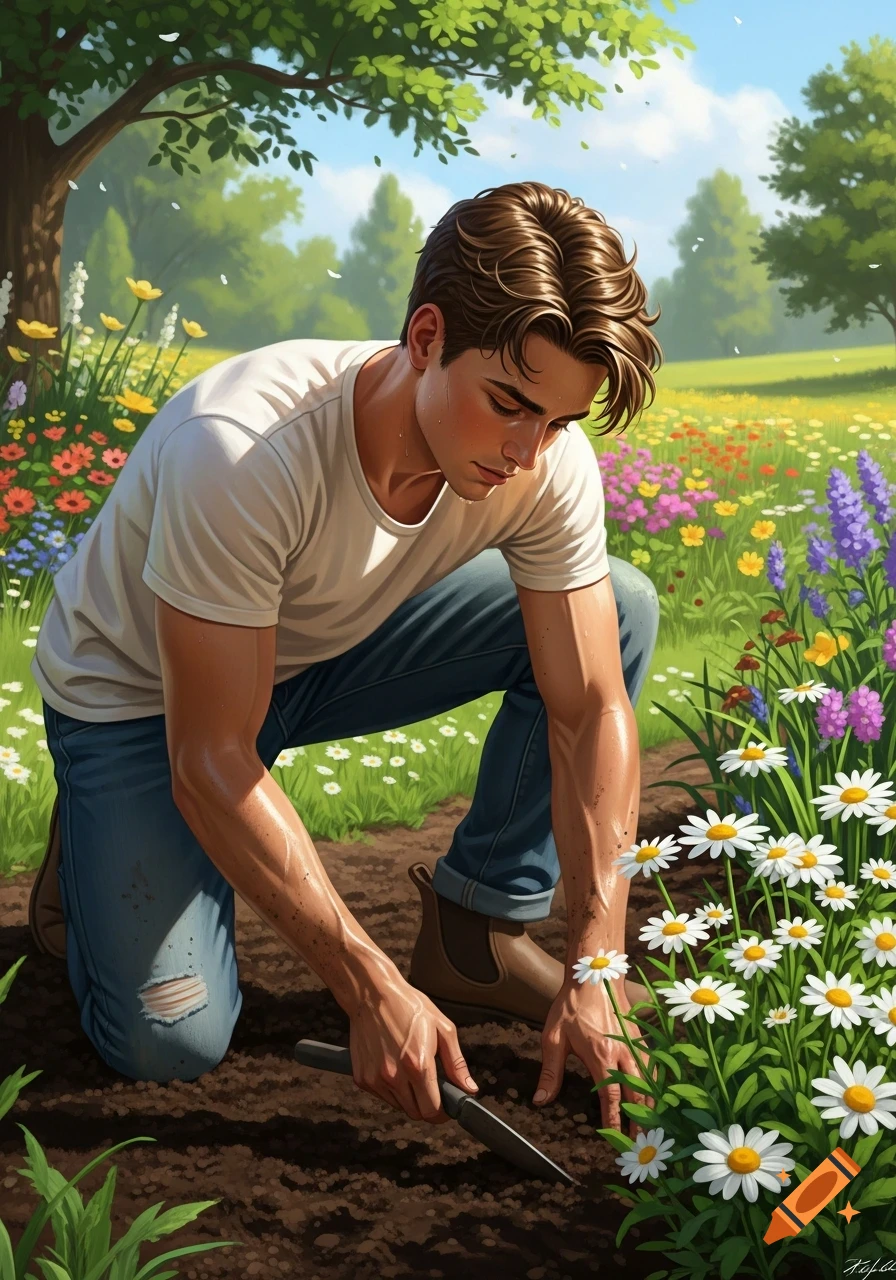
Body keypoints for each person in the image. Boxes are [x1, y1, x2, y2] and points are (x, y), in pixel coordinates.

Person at [29, 179, 663, 1134]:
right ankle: (91, 850)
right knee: (171, 1042)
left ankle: (479, 928)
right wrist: (367, 988)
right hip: (147, 697)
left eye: (561, 422)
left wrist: (597, 966)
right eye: (509, 405)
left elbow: (589, 709)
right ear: (424, 338)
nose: (531, 453)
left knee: (615, 608)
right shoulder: (240, 450)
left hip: (321, 646)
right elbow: (210, 758)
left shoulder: (540, 461)